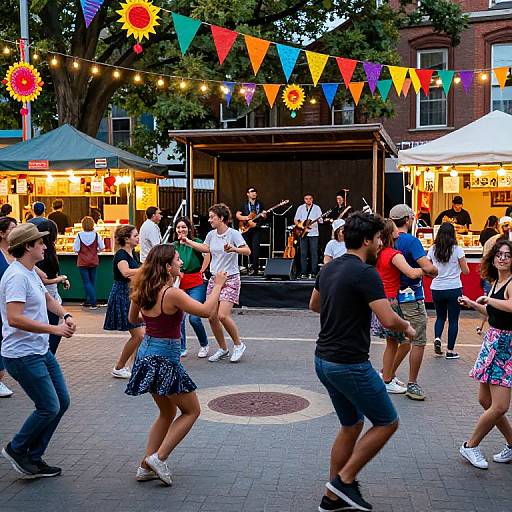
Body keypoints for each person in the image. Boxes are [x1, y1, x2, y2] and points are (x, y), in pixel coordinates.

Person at [310, 211, 415, 512]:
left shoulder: (329, 269)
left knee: (352, 424)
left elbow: (314, 304)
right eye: (380, 238)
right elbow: (387, 318)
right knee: (386, 421)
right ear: (368, 240)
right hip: (348, 364)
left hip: (323, 361)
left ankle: (332, 498)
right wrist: (407, 327)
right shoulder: (365, 273)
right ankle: (344, 481)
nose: (382, 244)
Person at [125, 244, 227, 485]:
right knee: (192, 411)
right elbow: (203, 311)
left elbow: (132, 319)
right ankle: (158, 458)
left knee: (167, 411)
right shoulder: (170, 293)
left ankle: (145, 466)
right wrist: (219, 285)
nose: (181, 263)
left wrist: (153, 320)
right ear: (168, 266)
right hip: (165, 360)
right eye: (178, 260)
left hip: (146, 357)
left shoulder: (142, 288)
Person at [0, 223, 75, 478]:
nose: (45, 246)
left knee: (60, 402)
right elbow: (14, 318)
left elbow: (47, 298)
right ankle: (17, 448)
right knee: (48, 406)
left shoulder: (30, 271)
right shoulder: (16, 277)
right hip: (22, 355)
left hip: (39, 351)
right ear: (28, 247)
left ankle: (34, 457)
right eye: (40, 243)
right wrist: (54, 330)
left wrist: (64, 314)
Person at [458, 240, 512, 469]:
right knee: (486, 401)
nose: (502, 258)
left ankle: (470, 446)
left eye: (507, 255)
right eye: (498, 254)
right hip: (494, 342)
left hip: (506, 346)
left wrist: (489, 300)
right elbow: (493, 313)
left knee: (499, 406)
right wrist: (473, 303)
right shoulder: (496, 282)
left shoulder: (511, 282)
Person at [180, 203, 250, 363]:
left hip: (230, 278)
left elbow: (247, 250)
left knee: (222, 315)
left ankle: (238, 345)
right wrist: (188, 241)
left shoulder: (233, 234)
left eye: (213, 217)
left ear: (222, 218)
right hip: (214, 279)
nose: (210, 219)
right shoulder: (211, 235)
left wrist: (234, 249)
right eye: (210, 217)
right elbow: (205, 248)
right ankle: (223, 348)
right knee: (211, 317)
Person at [390, 204, 438, 401]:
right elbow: (427, 267)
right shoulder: (411, 241)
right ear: (408, 219)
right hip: (411, 297)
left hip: (390, 298)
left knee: (395, 340)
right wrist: (432, 270)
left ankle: (387, 375)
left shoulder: (386, 241)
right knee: (417, 340)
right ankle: (412, 383)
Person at [372, 219, 424, 394]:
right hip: (392, 301)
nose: (399, 231)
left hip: (383, 299)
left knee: (393, 342)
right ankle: (387, 378)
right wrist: (426, 269)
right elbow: (411, 272)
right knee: (400, 341)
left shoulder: (379, 253)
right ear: (390, 233)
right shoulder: (393, 254)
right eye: (395, 229)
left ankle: (387, 376)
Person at [104, 225, 144, 379]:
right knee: (139, 334)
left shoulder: (130, 253)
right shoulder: (121, 254)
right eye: (135, 235)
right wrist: (146, 268)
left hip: (130, 294)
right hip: (122, 294)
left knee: (140, 333)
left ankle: (134, 365)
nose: (138, 237)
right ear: (127, 239)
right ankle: (119, 367)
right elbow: (126, 272)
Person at [29, 202, 69, 355]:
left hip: (50, 294)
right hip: (47, 294)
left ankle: (47, 355)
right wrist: (61, 278)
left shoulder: (45, 250)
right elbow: (44, 279)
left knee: (53, 327)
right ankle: (47, 355)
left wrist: (61, 278)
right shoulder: (43, 254)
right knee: (53, 329)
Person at [427, 222, 469, 360]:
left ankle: (438, 338)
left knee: (440, 317)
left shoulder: (432, 249)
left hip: (437, 288)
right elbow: (466, 271)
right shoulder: (457, 250)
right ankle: (450, 351)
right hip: (454, 288)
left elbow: (428, 268)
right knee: (453, 320)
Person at [173, 217, 211, 358]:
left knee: (194, 317)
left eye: (184, 227)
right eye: (178, 227)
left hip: (196, 282)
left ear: (189, 229)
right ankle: (182, 347)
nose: (181, 230)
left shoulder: (197, 242)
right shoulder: (174, 245)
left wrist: (203, 269)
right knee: (179, 317)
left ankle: (204, 344)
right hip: (180, 283)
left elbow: (207, 253)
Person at [0, 217, 17, 398]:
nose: (16, 230)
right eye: (13, 228)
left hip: (10, 304)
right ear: (2, 233)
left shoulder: (16, 252)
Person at [74, 216, 105, 310]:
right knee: (92, 282)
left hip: (82, 261)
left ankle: (92, 302)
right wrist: (96, 251)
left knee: (86, 282)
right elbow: (102, 247)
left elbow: (76, 249)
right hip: (93, 260)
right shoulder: (96, 235)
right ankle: (90, 301)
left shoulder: (79, 235)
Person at [235, 187, 267, 275]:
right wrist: (247, 218)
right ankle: (245, 267)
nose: (254, 193)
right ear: (247, 194)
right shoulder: (244, 204)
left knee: (256, 248)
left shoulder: (260, 204)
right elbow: (238, 215)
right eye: (251, 192)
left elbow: (265, 216)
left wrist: (263, 216)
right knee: (246, 248)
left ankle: (255, 268)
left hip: (256, 229)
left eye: (255, 192)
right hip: (246, 230)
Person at [294, 193, 323, 279]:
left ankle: (314, 272)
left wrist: (320, 218)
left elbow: (321, 221)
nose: (308, 200)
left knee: (314, 253)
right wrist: (301, 226)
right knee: (303, 253)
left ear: (312, 199)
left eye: (310, 199)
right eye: (306, 199)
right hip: (303, 233)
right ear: (304, 200)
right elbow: (295, 220)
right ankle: (303, 272)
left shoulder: (317, 208)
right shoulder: (300, 208)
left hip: (314, 233)